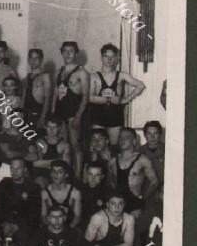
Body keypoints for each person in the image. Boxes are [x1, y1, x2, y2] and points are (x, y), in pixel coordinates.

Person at [0, 157, 42, 246]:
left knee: (27, 234)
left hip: (22, 225)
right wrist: (5, 222)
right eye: (12, 168)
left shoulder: (33, 188)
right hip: (4, 222)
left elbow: (34, 213)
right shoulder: (4, 184)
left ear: (25, 170)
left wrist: (16, 225)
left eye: (18, 168)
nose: (14, 171)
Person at [88, 43, 146, 145]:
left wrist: (125, 100)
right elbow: (90, 97)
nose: (109, 60)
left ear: (116, 58)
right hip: (97, 115)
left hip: (115, 115)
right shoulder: (94, 76)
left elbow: (140, 85)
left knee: (114, 145)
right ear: (101, 57)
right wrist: (109, 100)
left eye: (112, 57)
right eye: (106, 56)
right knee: (97, 145)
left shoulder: (121, 75)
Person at [51, 41, 89, 175]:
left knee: (75, 145)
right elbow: (55, 94)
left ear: (76, 53)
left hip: (74, 112)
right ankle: (65, 175)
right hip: (60, 114)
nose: (68, 54)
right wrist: (52, 114)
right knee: (63, 146)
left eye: (71, 51)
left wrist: (78, 116)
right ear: (61, 53)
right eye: (65, 51)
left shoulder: (81, 72)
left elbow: (85, 97)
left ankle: (77, 178)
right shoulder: (58, 71)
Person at [108, 127, 158, 218]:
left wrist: (143, 197)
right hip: (118, 204)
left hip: (135, 204)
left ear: (134, 141)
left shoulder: (142, 160)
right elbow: (111, 181)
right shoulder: (112, 161)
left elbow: (154, 181)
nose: (122, 140)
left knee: (131, 229)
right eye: (120, 138)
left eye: (127, 138)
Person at [41, 160, 82, 228]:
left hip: (69, 228)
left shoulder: (75, 193)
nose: (56, 174)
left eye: (60, 171)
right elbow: (43, 215)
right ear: (50, 174)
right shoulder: (45, 193)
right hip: (52, 227)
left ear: (66, 175)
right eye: (53, 171)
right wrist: (51, 229)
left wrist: (66, 231)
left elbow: (77, 217)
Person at [23, 48, 51, 129]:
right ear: (28, 60)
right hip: (26, 113)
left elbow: (47, 98)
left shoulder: (45, 76)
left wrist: (42, 118)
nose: (33, 60)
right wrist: (20, 114)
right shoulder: (25, 78)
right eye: (31, 58)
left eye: (36, 58)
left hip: (38, 113)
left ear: (41, 60)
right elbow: (24, 98)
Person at [80, 161, 110, 231]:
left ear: (102, 176)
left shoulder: (108, 192)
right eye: (90, 174)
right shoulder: (79, 190)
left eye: (97, 175)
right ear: (86, 175)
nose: (93, 178)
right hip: (81, 228)